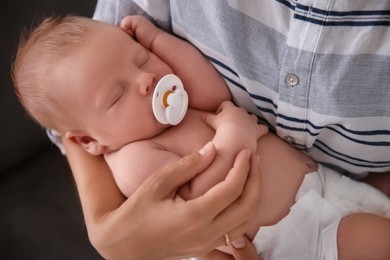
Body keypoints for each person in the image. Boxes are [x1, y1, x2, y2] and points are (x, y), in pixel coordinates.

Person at [12, 14, 390, 259]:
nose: (146, 81)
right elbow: (208, 193)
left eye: (140, 59)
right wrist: (233, 134)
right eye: (117, 95)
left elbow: (213, 93)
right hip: (294, 238)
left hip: (327, 188)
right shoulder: (133, 159)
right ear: (89, 141)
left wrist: (155, 40)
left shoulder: (180, 107)